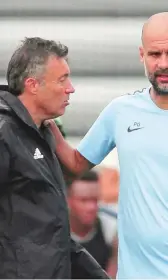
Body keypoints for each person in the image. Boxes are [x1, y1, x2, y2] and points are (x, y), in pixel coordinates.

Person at [48, 12, 168, 279]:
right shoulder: (121, 111)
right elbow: (76, 163)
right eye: (155, 55)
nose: (164, 64)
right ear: (141, 55)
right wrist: (41, 117)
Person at [0, 37, 109, 279]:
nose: (71, 88)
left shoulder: (42, 134)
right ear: (32, 85)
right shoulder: (5, 132)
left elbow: (51, 236)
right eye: (62, 79)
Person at [68, 170, 118, 278]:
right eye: (84, 200)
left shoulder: (109, 228)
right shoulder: (54, 231)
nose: (91, 207)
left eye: (95, 200)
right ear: (68, 200)